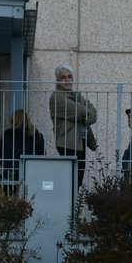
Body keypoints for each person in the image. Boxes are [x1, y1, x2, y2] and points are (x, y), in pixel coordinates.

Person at [48, 64, 97, 199]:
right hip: (67, 143)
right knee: (69, 180)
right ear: (58, 80)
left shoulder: (76, 95)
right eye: (63, 77)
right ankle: (67, 208)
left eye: (69, 77)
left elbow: (94, 114)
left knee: (77, 181)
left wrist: (83, 115)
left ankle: (73, 208)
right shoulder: (57, 97)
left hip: (80, 142)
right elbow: (81, 111)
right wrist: (83, 113)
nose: (67, 80)